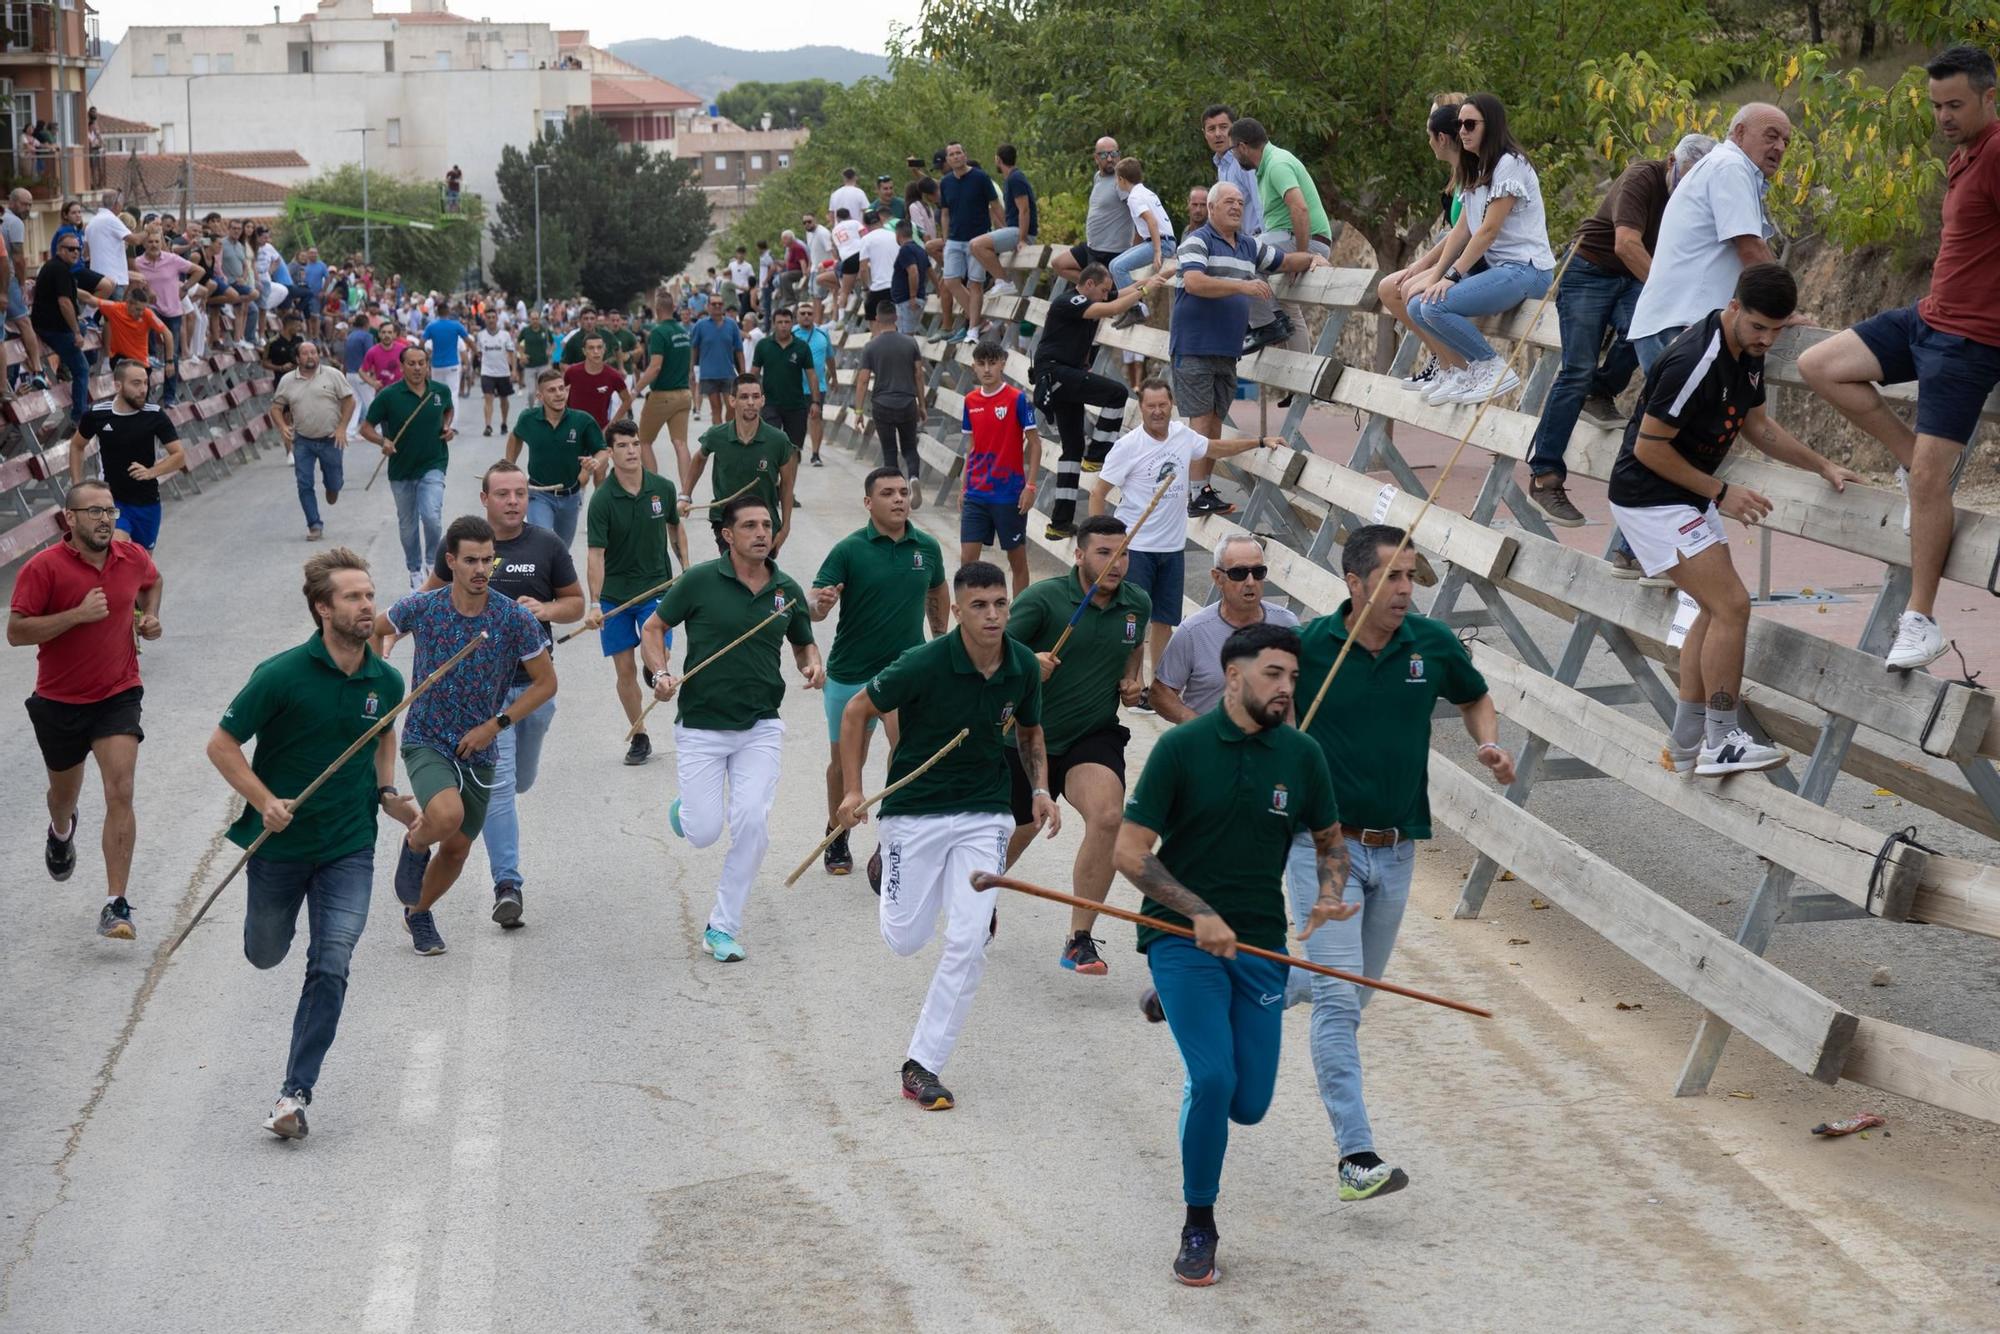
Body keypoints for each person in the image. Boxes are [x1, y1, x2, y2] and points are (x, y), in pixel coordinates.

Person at [1277, 524, 1513, 1203]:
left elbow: (1473, 696)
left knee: (1348, 992)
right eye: (1395, 577)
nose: (1408, 590)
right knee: (1335, 1000)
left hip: (1399, 849)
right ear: (1355, 583)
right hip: (1324, 846)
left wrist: (1488, 744)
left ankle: (1234, 980)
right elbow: (1258, 713)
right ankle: (1356, 1157)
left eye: (1412, 576)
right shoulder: (1310, 647)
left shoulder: (1431, 645)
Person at [1115, 621, 1352, 1286]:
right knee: (1212, 1081)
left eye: (1293, 678)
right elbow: (1130, 853)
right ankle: (1199, 1224)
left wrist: (1331, 893)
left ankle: (1177, 1004)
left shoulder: (1301, 755)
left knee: (1248, 1105)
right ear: (1236, 675)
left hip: (1261, 945)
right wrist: (1198, 914)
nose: (1286, 688)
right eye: (1274, 674)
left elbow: (1331, 841)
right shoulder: (1182, 751)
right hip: (1181, 935)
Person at [1609, 263, 1859, 775]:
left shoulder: (1746, 353)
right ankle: (1721, 741)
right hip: (1651, 495)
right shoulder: (1693, 362)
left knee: (1714, 607)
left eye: (1776, 329)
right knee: (1733, 606)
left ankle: (1684, 744)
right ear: (1733, 307)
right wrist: (1722, 492)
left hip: (1684, 495)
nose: (1766, 339)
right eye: (1758, 327)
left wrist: (1823, 465)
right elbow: (1649, 448)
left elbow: (1759, 427)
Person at [1799, 45, 2000, 671]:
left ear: (1990, 97)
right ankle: (1910, 460)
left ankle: (1920, 618)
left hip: (1970, 342)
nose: (1942, 116)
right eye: (1937, 105)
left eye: (1955, 105)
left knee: (1932, 480)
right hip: (1926, 318)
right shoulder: (1965, 156)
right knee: (1818, 364)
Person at [207, 547, 417, 1139]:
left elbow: (382, 737)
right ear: (323, 609)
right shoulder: (280, 675)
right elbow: (221, 745)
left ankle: (294, 1093)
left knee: (332, 962)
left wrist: (386, 792)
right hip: (280, 848)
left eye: (370, 595)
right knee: (266, 951)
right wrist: (263, 799)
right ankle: (267, 939)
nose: (367, 605)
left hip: (349, 845)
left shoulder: (386, 677)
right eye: (353, 597)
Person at [835, 560, 1055, 1110]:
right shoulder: (923, 663)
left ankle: (922, 1065)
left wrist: (1041, 789)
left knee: (967, 941)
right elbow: (858, 708)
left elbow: (1030, 731)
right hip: (914, 812)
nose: (992, 615)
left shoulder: (1023, 665)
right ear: (956, 611)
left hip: (984, 812)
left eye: (1000, 603)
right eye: (979, 605)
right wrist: (852, 790)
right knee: (905, 939)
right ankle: (889, 864)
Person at [640, 495, 823, 963]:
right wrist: (660, 675)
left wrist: (812, 665)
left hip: (760, 725)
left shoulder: (786, 589)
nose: (762, 533)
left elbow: (804, 644)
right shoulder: (699, 580)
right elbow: (654, 628)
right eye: (750, 526)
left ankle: (721, 927)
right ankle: (687, 813)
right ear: (727, 535)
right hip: (702, 726)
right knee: (702, 831)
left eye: (767, 525)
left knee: (753, 825)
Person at [376, 515, 556, 956]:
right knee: (446, 816)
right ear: (451, 561)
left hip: (481, 746)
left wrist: (495, 725)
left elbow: (545, 684)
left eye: (487, 560)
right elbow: (374, 628)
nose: (480, 569)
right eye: (471, 560)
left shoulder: (512, 618)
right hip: (428, 738)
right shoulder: (425, 607)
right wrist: (378, 664)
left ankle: (418, 913)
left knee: (456, 850)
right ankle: (416, 841)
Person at [418, 462, 584, 925]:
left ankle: (506, 870)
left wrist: (546, 607)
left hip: (535, 687)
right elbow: (430, 598)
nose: (513, 502)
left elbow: (577, 604)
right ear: (485, 499)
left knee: (523, 778)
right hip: (486, 696)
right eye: (504, 494)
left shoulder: (546, 544)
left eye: (521, 494)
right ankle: (507, 885)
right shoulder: (462, 547)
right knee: (501, 786)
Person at [1524, 133, 1717, 527]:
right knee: (1576, 370)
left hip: (1630, 279)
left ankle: (1603, 389)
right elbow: (1627, 244)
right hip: (1590, 269)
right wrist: (1669, 294)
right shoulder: (1641, 177)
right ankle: (1545, 477)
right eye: (1686, 177)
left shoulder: (1698, 195)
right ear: (1670, 162)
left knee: (1642, 331)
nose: (1690, 187)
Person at [8, 480, 162, 941]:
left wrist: (148, 617)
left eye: (109, 511)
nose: (104, 519)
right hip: (59, 700)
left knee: (121, 789)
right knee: (64, 795)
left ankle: (116, 904)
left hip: (118, 692)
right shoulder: (43, 568)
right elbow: (16, 632)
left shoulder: (130, 557)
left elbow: (153, 582)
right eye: (93, 511)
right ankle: (60, 830)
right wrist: (75, 615)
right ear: (69, 519)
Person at [1002, 515, 1149, 975]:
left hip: (1093, 733)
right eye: (1105, 553)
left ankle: (1079, 938)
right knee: (1015, 833)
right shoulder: (1044, 599)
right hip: (1028, 736)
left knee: (1109, 816)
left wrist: (1133, 678)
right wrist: (1028, 661)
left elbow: (1132, 645)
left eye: (1123, 552)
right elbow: (985, 647)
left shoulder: (1136, 604)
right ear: (1079, 555)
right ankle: (976, 899)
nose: (1117, 563)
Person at [1090, 378, 1279, 693]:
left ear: (1171, 405)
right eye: (1151, 406)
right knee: (1133, 619)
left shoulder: (1182, 436)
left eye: (1163, 405)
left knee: (1165, 620)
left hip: (1172, 546)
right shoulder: (1128, 446)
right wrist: (1102, 545)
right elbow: (1098, 493)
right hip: (1136, 546)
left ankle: (1156, 686)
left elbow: (1216, 447)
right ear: (1141, 408)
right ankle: (1130, 681)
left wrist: (1258, 441)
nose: (1158, 412)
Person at [810, 467, 949, 875]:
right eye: (887, 493)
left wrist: (940, 635)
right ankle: (838, 833)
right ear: (869, 503)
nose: (899, 499)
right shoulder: (849, 550)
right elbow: (816, 606)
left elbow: (938, 589)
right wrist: (823, 603)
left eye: (904, 492)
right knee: (843, 762)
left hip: (904, 671)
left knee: (903, 748)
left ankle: (892, 835)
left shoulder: (927, 547)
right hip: (850, 672)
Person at [1172, 182, 1328, 515]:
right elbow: (1193, 282)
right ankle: (1194, 494)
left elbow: (1284, 261)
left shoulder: (1247, 245)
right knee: (1201, 422)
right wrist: (1242, 286)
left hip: (1227, 350)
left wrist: (1313, 257)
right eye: (1228, 202)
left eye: (1241, 202)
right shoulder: (1197, 241)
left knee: (1214, 421)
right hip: (1195, 346)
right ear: (1211, 208)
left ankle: (1202, 490)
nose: (1236, 207)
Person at [1403, 94, 1557, 407]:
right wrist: (1435, 275)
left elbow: (1487, 231)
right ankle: (1463, 371)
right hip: (1499, 271)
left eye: (1470, 124)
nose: (1463, 131)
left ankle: (1491, 367)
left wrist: (1452, 275)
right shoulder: (1475, 169)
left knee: (1434, 306)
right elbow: (1462, 230)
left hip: (1527, 270)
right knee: (1418, 305)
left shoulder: (1510, 165)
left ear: (1492, 125)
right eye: (1460, 124)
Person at [586, 419, 687, 765]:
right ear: (610, 453)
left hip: (657, 588)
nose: (631, 451)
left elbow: (676, 528)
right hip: (616, 596)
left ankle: (656, 670)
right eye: (623, 446)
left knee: (655, 648)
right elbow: (596, 555)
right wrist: (595, 602)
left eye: (635, 444)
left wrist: (686, 571)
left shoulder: (662, 488)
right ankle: (640, 735)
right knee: (624, 671)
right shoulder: (602, 500)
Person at [1030, 262, 1155, 538]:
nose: (1105, 294)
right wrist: (1148, 288)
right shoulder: (1070, 301)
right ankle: (1097, 455)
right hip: (1056, 373)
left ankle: (1059, 523)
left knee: (1072, 448)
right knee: (1117, 393)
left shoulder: (1092, 296)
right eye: (1102, 289)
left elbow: (1120, 295)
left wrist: (1156, 278)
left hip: (1065, 378)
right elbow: (1111, 308)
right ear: (1088, 285)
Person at [1151, 536, 1301, 719]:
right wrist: (1199, 727)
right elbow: (1160, 692)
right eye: (1239, 573)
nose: (1251, 582)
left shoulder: (1287, 623)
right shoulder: (1193, 632)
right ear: (1217, 577)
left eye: (1258, 572)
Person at [359, 346, 455, 591]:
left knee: (432, 516)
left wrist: (446, 427)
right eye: (411, 363)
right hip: (401, 470)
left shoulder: (439, 391)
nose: (417, 368)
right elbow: (366, 428)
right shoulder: (389, 395)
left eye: (421, 363)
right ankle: (414, 570)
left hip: (433, 463)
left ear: (427, 365)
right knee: (408, 524)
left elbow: (448, 410)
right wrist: (384, 441)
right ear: (401, 367)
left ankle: (432, 565)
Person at [959, 340, 1041, 594]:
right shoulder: (970, 401)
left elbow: (1036, 444)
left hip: (1009, 495)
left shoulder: (1018, 399)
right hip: (976, 493)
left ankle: (1020, 619)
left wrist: (1030, 486)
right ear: (974, 366)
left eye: (992, 363)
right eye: (981, 364)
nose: (987, 369)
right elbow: (971, 448)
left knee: (1017, 561)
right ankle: (968, 616)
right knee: (967, 562)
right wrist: (963, 487)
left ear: (1002, 364)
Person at [687, 374, 799, 557]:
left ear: (763, 400)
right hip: (726, 520)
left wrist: (785, 527)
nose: (750, 402)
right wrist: (685, 495)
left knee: (758, 579)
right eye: (744, 397)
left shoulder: (778, 440)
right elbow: (699, 458)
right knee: (734, 572)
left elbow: (787, 484)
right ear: (732, 401)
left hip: (764, 523)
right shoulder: (717, 435)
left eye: (755, 397)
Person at [506, 365, 606, 546]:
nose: (559, 394)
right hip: (539, 494)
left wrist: (594, 461)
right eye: (552, 390)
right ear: (540, 396)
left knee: (561, 550)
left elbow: (603, 450)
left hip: (571, 496)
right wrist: (509, 466)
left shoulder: (582, 420)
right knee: (542, 544)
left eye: (562, 389)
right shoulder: (528, 419)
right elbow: (515, 437)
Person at [271, 339, 355, 542]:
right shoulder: (287, 381)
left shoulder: (333, 375)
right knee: (304, 483)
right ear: (297, 358)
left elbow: (349, 400)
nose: (311, 356)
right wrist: (283, 427)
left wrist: (342, 427)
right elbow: (275, 407)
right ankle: (314, 524)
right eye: (306, 353)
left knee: (334, 482)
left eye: (314, 352)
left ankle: (332, 487)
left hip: (330, 438)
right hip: (303, 441)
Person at [31, 233, 113, 427]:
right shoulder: (59, 270)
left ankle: (68, 365)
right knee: (82, 369)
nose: (75, 253)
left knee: (85, 334)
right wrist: (75, 332)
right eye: (70, 249)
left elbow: (74, 295)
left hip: (54, 327)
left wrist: (80, 324)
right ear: (59, 250)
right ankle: (80, 416)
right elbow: (65, 302)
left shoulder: (59, 268)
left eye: (78, 249)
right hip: (54, 329)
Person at [851, 304, 927, 488]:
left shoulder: (871, 346)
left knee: (889, 450)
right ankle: (914, 477)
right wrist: (922, 404)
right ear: (897, 318)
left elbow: (862, 380)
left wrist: (859, 410)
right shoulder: (911, 343)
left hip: (882, 404)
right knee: (909, 447)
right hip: (907, 402)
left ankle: (896, 489)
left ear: (877, 319)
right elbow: (918, 374)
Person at [937, 143, 1003, 343]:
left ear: (965, 155)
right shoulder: (945, 182)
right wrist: (946, 238)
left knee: (975, 283)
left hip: (977, 239)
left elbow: (995, 205)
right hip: (954, 240)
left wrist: (1008, 230)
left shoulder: (980, 177)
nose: (956, 157)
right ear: (948, 160)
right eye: (952, 154)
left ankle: (973, 329)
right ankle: (980, 320)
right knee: (950, 281)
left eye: (959, 153)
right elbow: (945, 213)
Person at [132, 229, 204, 405]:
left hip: (172, 311)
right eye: (150, 242)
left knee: (173, 356)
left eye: (157, 242)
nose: (154, 245)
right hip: (152, 308)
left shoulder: (171, 259)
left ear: (161, 244)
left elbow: (199, 271)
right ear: (144, 244)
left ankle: (170, 397)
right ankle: (145, 395)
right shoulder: (138, 263)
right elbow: (132, 283)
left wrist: (185, 288)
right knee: (146, 354)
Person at [1050, 137, 1133, 284]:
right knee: (1058, 264)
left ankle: (1103, 289)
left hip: (1110, 251)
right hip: (1092, 246)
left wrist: (1138, 248)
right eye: (1103, 155)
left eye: (1113, 154)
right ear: (1096, 158)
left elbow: (1139, 213)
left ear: (1119, 156)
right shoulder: (1098, 177)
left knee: (1097, 293)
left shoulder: (1122, 180)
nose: (1109, 159)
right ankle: (1101, 288)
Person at [636, 289, 694, 480]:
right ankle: (686, 493)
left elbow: (655, 367)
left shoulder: (658, 332)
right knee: (681, 443)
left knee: (643, 442)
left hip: (663, 395)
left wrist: (636, 388)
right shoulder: (683, 333)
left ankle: (655, 488)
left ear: (657, 309)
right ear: (673, 308)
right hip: (684, 394)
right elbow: (689, 364)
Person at [1108, 158, 1176, 318]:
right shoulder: (1144, 192)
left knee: (1119, 268)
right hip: (1161, 241)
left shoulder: (1134, 197)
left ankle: (1136, 307)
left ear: (1121, 179)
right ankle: (1133, 307)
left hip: (1161, 243)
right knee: (1113, 265)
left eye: (1116, 180)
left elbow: (1151, 221)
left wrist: (1157, 251)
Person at [968, 142, 1038, 295]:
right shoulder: (1010, 179)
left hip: (1020, 232)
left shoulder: (1015, 178)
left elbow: (1024, 210)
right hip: (1014, 230)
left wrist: (1022, 239)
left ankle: (1004, 281)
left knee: (976, 245)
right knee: (975, 246)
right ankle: (1003, 283)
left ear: (998, 160)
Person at [750, 306, 816, 455]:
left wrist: (815, 402)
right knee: (770, 446)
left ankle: (789, 479)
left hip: (796, 405)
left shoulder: (802, 347)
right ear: (774, 324)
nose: (783, 326)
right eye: (780, 322)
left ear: (792, 323)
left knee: (793, 450)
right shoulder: (763, 345)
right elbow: (754, 374)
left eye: (787, 322)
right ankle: (773, 478)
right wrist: (753, 398)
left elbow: (812, 375)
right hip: (770, 404)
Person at [3, 189, 48, 389]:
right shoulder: (14, 222)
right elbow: (19, 258)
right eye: (24, 204)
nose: (28, 208)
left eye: (30, 204)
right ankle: (38, 369)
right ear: (12, 202)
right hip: (7, 278)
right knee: (23, 322)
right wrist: (21, 283)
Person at [689, 295, 745, 428]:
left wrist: (743, 372)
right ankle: (719, 440)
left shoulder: (732, 325)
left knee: (732, 408)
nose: (717, 306)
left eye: (719, 304)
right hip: (708, 374)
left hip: (728, 374)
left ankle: (728, 434)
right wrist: (691, 370)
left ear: (723, 305)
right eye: (713, 304)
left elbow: (739, 350)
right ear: (708, 306)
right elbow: (694, 348)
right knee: (716, 409)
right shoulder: (700, 325)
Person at [795, 298, 836, 463]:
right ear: (797, 317)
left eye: (809, 314)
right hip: (794, 386)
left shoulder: (822, 334)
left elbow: (830, 357)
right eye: (802, 314)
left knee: (816, 418)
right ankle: (795, 449)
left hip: (817, 387)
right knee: (796, 421)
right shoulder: (791, 334)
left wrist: (834, 376)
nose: (806, 316)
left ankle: (816, 454)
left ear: (814, 316)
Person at [562, 332, 631, 431]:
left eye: (599, 347)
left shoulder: (613, 375)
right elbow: (560, 394)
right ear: (584, 351)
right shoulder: (572, 372)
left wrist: (611, 425)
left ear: (604, 349)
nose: (596, 351)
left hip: (599, 430)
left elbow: (627, 400)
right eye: (591, 348)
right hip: (572, 428)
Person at [475, 308, 519, 437]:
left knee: (503, 399)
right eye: (488, 317)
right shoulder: (481, 335)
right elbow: (479, 353)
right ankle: (488, 426)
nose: (491, 320)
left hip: (503, 372)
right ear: (485, 319)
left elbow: (511, 353)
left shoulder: (505, 335)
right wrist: (478, 367)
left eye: (493, 317)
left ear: (497, 319)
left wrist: (514, 370)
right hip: (487, 372)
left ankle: (504, 423)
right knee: (488, 398)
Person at [856, 211, 902, 325]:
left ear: (865, 225)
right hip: (899, 285)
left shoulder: (866, 240)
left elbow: (863, 268)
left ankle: (877, 338)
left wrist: (866, 288)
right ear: (881, 220)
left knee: (873, 317)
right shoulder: (894, 235)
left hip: (880, 287)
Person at [84, 190, 131, 297]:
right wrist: (149, 230)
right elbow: (134, 240)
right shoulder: (112, 220)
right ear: (116, 204)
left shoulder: (92, 222)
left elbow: (86, 252)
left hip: (97, 278)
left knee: (100, 310)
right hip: (114, 280)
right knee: (112, 313)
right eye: (121, 204)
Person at [889, 219, 931, 335]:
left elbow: (913, 272)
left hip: (907, 300)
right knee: (908, 334)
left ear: (898, 235)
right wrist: (937, 289)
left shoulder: (905, 250)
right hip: (915, 298)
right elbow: (930, 270)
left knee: (905, 336)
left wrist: (913, 296)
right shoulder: (920, 250)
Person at [421, 304, 470, 399]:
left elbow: (421, 343)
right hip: (452, 365)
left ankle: (439, 413)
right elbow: (469, 341)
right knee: (452, 392)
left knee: (437, 393)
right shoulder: (456, 325)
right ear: (448, 312)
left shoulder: (431, 326)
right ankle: (453, 413)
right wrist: (477, 352)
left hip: (436, 365)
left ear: (437, 312)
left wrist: (423, 359)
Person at [829, 168, 871, 232]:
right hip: (856, 230)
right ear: (855, 178)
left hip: (839, 232)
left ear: (844, 178)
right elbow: (867, 211)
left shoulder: (835, 194)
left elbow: (831, 214)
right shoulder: (859, 192)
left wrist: (833, 229)